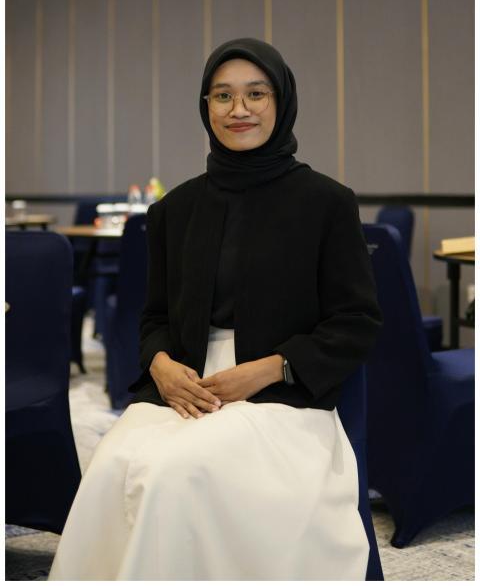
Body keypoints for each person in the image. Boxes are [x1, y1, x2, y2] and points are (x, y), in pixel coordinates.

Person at [49, 37, 383, 581]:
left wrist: (269, 368)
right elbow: (154, 316)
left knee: (179, 474)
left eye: (256, 93)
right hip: (186, 385)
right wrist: (159, 363)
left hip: (285, 392)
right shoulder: (175, 209)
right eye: (222, 96)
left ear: (281, 102)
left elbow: (358, 322)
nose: (240, 109)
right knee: (111, 464)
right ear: (206, 107)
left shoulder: (326, 202)